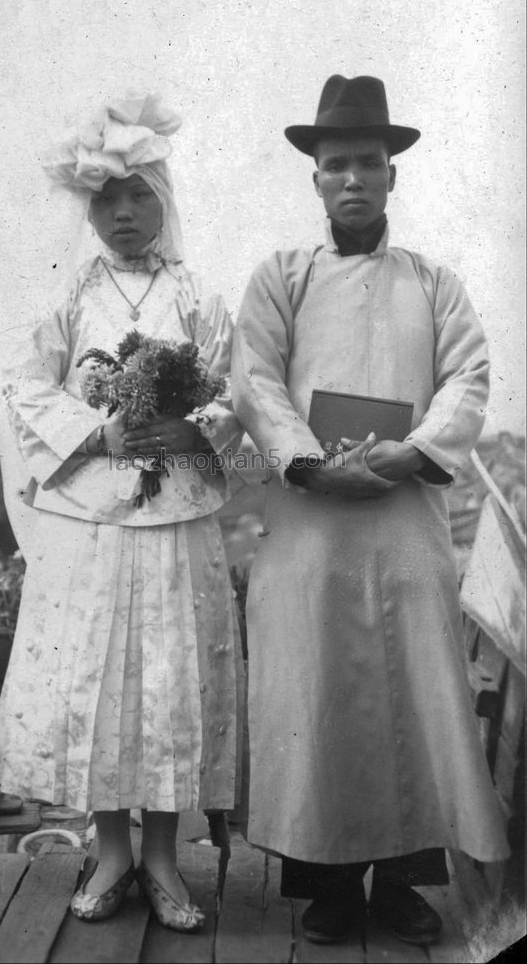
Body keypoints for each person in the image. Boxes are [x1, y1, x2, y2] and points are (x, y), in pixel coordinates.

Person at [231, 75, 510, 946]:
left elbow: (467, 377)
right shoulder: (280, 277)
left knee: (411, 694)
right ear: (314, 178)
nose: (353, 178)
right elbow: (254, 378)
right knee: (316, 696)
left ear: (394, 175)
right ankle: (326, 885)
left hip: (402, 518)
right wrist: (311, 462)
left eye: (369, 163)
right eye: (336, 164)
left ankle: (400, 885)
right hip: (309, 522)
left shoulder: (435, 284)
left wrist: (410, 452)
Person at [0, 92, 243, 931]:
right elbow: (23, 386)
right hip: (90, 523)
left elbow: (237, 392)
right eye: (106, 199)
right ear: (87, 209)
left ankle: (165, 856)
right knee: (98, 678)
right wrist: (97, 432)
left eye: (138, 195)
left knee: (167, 680)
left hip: (173, 519)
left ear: (164, 200)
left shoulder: (198, 294)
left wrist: (191, 423)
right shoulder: (68, 294)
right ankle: (113, 850)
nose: (123, 214)